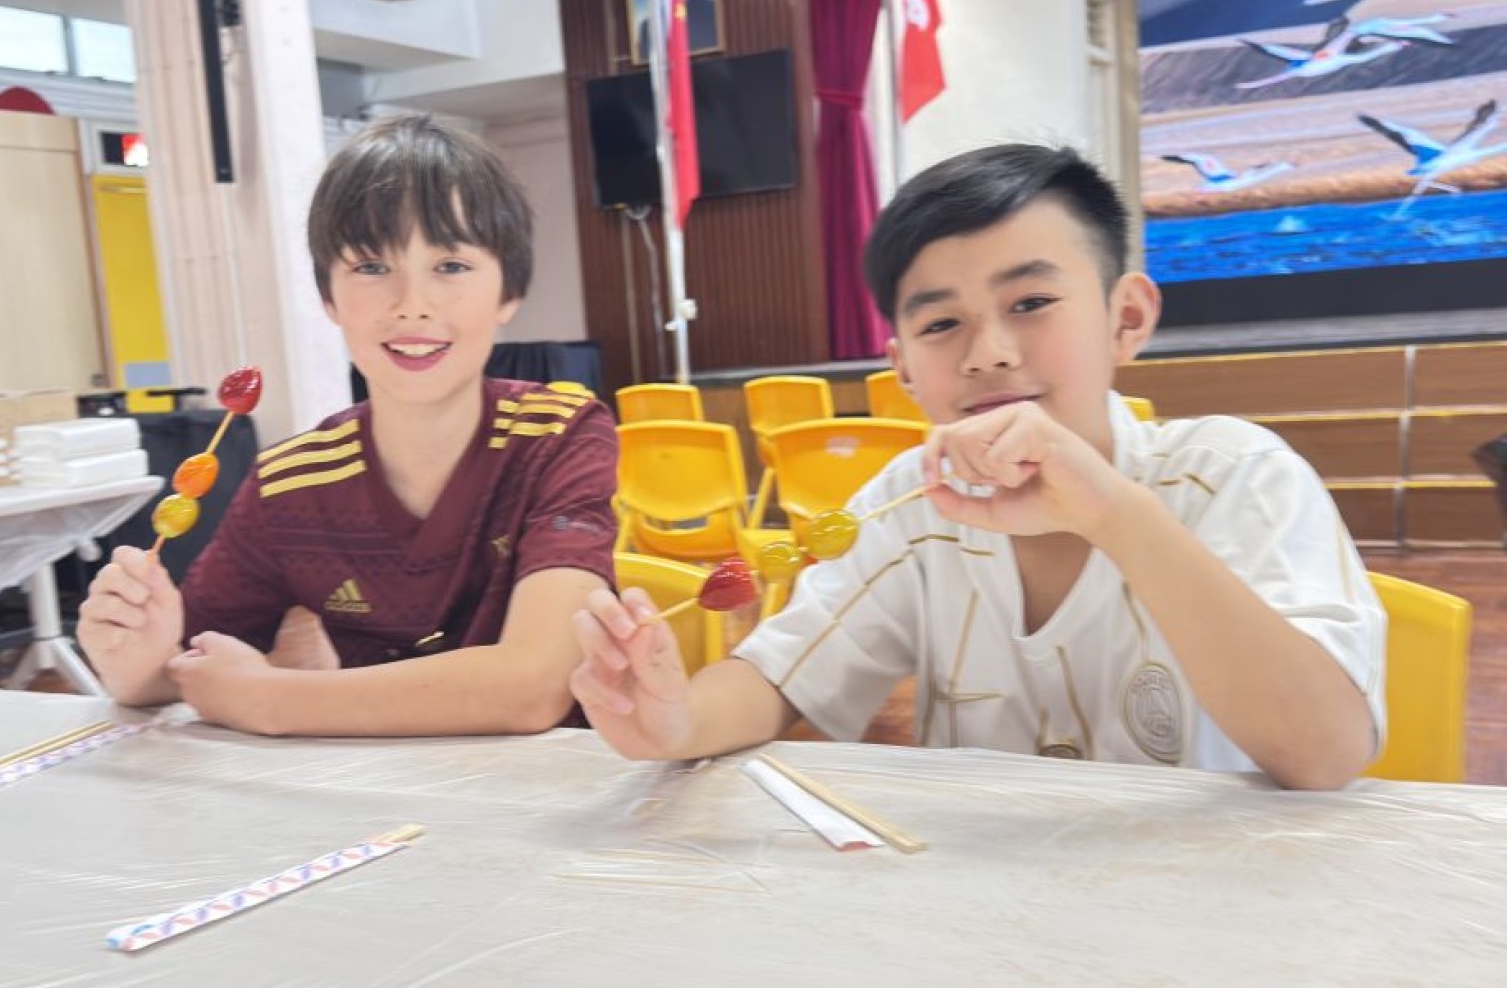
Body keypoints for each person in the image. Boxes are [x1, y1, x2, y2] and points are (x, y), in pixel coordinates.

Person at [572, 144, 1385, 789]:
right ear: (901, 367)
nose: (989, 353)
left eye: (1031, 304)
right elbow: (781, 675)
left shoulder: (1234, 475)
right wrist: (676, 721)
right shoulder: (909, 503)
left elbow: (1324, 753)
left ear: (1126, 318)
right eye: (941, 324)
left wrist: (1114, 514)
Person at [79, 114, 617, 736]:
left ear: (509, 293)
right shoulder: (291, 483)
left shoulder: (559, 436)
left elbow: (532, 686)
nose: (411, 303)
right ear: (329, 297)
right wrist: (140, 666)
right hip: (371, 784)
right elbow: (194, 666)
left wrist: (275, 700)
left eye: (450, 266)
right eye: (370, 266)